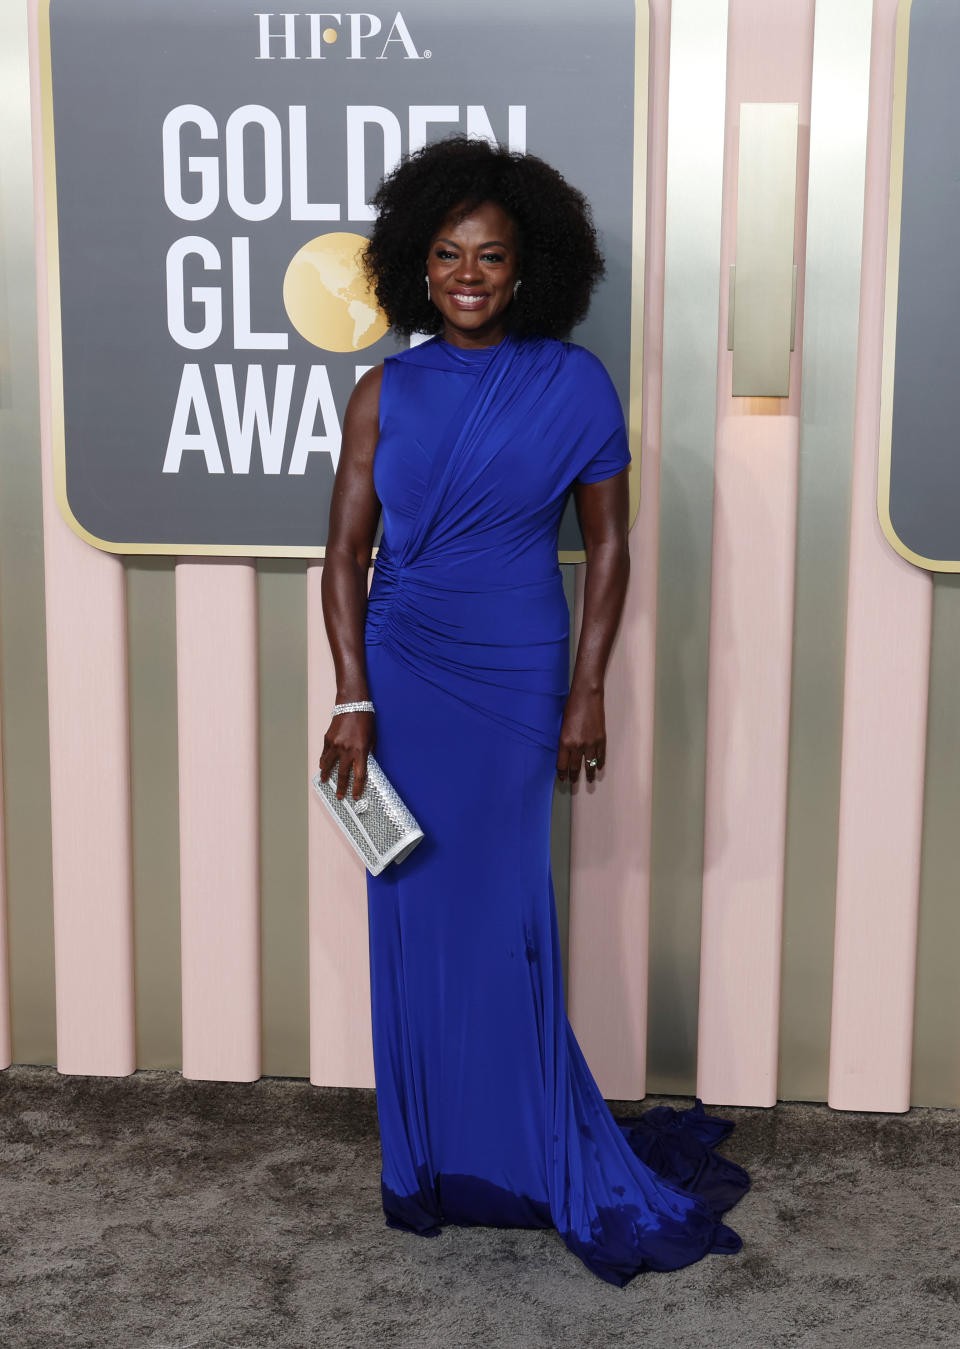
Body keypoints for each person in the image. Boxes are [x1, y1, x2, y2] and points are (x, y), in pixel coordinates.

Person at [318, 135, 750, 1287]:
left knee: (504, 911)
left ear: (529, 269)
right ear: (419, 263)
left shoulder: (574, 386)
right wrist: (352, 694)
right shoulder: (384, 391)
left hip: (515, 670)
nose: (469, 274)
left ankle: (522, 1151)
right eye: (449, 254)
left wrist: (587, 686)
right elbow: (344, 554)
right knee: (413, 909)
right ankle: (435, 1162)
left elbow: (608, 545)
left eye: (492, 257)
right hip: (404, 674)